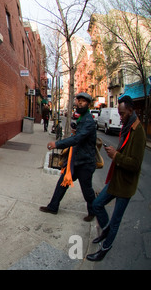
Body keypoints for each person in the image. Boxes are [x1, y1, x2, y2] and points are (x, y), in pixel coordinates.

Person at [86, 95, 146, 261]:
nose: (120, 117)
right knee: (97, 204)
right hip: (116, 179)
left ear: (131, 110)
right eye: (119, 114)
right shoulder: (127, 126)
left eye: (123, 113)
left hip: (126, 184)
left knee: (116, 220)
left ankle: (104, 249)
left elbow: (135, 164)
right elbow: (124, 152)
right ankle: (106, 230)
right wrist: (115, 152)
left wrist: (115, 156)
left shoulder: (138, 132)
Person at [40, 92, 97, 221]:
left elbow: (77, 139)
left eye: (83, 101)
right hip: (77, 160)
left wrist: (57, 144)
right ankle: (53, 207)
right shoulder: (82, 118)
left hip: (85, 163)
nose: (80, 103)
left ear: (88, 104)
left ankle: (93, 212)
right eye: (79, 101)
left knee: (87, 190)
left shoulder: (88, 120)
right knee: (62, 183)